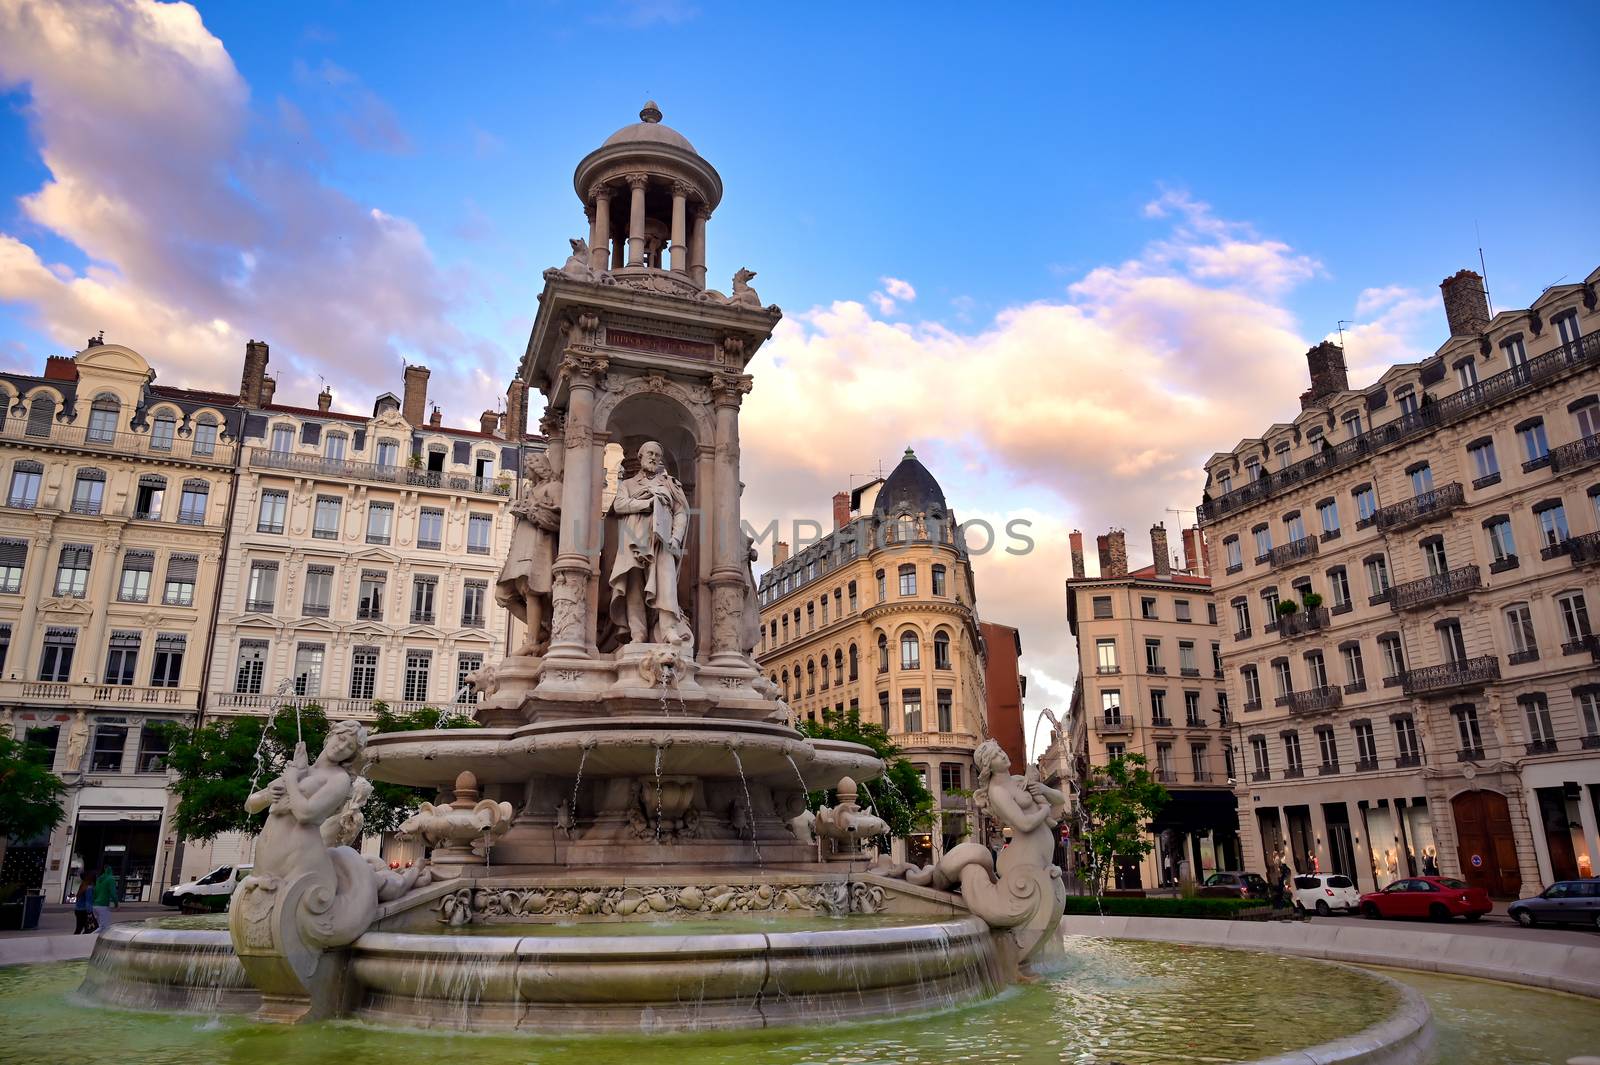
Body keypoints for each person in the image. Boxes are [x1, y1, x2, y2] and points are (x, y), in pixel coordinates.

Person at [91, 866, 118, 932]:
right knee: (105, 928)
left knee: (101, 926)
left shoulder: (99, 879)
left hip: (95, 905)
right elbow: (113, 893)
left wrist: (93, 902)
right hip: (103, 905)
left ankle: (95, 939)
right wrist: (116, 903)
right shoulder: (110, 879)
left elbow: (95, 892)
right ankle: (89, 938)